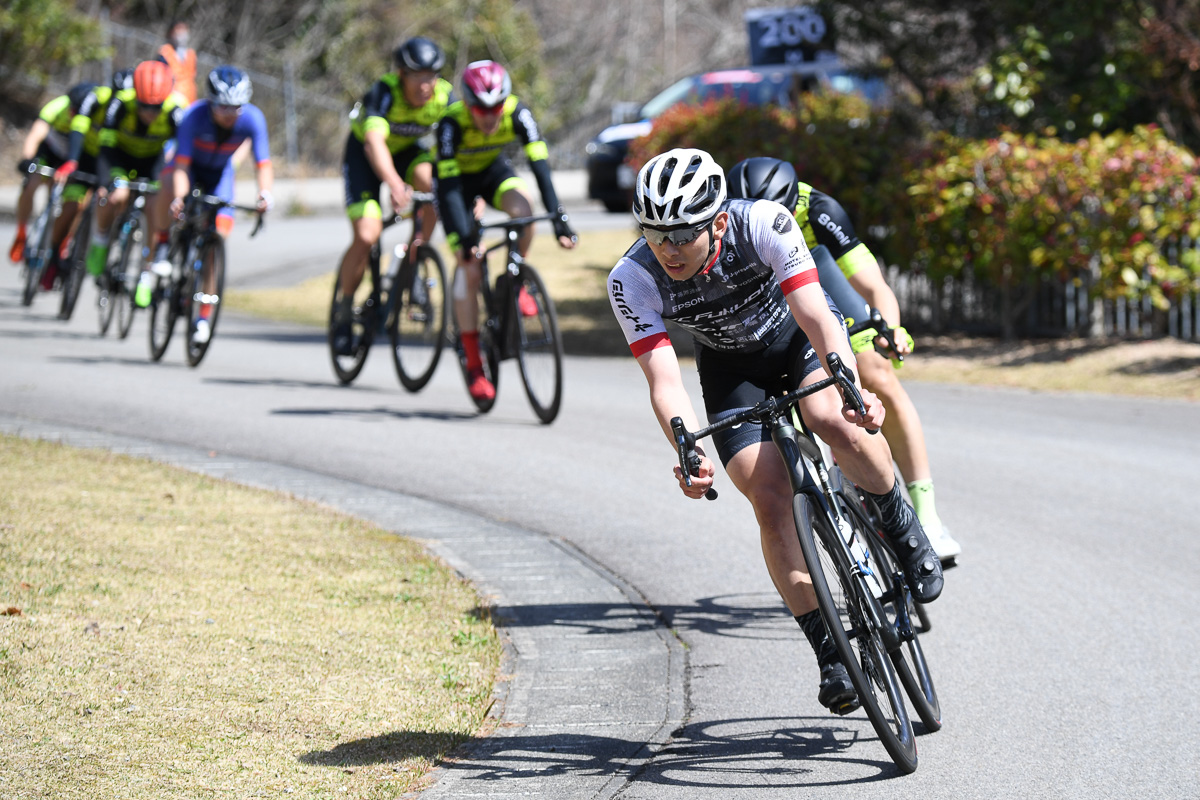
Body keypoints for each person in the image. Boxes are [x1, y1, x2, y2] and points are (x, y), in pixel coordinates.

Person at [607, 148, 943, 714]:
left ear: (716, 223)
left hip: (797, 339)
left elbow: (815, 313)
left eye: (681, 234)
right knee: (766, 495)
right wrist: (687, 447)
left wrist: (854, 392)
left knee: (831, 418)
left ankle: (900, 523)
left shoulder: (763, 223)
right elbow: (663, 379)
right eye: (654, 233)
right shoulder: (632, 278)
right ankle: (831, 653)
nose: (666, 249)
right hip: (731, 369)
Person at [726, 157, 962, 563]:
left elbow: (873, 285)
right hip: (768, 296)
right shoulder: (729, 223)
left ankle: (927, 514)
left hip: (819, 275)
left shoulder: (818, 210)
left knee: (876, 374)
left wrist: (890, 328)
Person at [436, 59, 577, 402]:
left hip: (491, 172)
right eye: (480, 109)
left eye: (496, 107)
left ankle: (516, 281)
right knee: (469, 268)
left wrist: (558, 216)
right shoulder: (450, 124)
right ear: (467, 104)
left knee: (524, 213)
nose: (489, 116)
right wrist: (465, 238)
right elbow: (451, 190)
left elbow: (539, 166)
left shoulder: (518, 112)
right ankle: (472, 359)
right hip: (455, 186)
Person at [331, 36, 453, 356]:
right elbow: (374, 142)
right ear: (401, 74)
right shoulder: (384, 92)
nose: (426, 85)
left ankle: (415, 257)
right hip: (366, 158)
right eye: (418, 76)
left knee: (433, 183)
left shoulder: (444, 96)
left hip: (408, 154)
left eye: (432, 76)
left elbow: (459, 144)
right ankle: (343, 311)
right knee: (367, 235)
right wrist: (396, 185)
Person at [133, 66, 273, 345]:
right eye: (223, 107)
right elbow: (181, 165)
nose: (230, 113)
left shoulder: (253, 119)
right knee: (169, 187)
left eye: (236, 107)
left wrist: (265, 194)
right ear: (211, 102)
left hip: (220, 174)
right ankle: (162, 245)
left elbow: (263, 163)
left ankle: (203, 317)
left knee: (217, 239)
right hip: (189, 169)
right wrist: (180, 198)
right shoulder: (193, 116)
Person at [84, 60, 187, 279]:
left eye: (156, 107)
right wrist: (105, 182)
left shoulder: (176, 110)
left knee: (153, 207)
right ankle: (100, 242)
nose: (150, 112)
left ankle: (145, 271)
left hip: (153, 161)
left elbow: (184, 153)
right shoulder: (120, 103)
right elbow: (105, 146)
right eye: (144, 106)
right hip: (119, 158)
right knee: (115, 197)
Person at [9, 82, 98, 285]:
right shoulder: (58, 105)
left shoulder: (93, 116)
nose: (74, 115)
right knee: (30, 183)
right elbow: (36, 133)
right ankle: (21, 232)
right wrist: (27, 158)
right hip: (50, 153)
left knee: (77, 204)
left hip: (76, 160)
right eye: (73, 111)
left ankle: (64, 240)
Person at [159, 20, 198, 105]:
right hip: (172, 102)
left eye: (184, 29)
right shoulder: (165, 52)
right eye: (178, 29)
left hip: (189, 100)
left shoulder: (191, 54)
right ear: (171, 33)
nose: (182, 33)